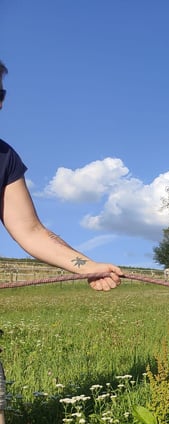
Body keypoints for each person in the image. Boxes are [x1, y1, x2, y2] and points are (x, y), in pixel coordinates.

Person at [0, 60, 121, 290]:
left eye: (1, 94)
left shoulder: (5, 157)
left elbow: (31, 231)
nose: (1, 106)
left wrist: (87, 265)